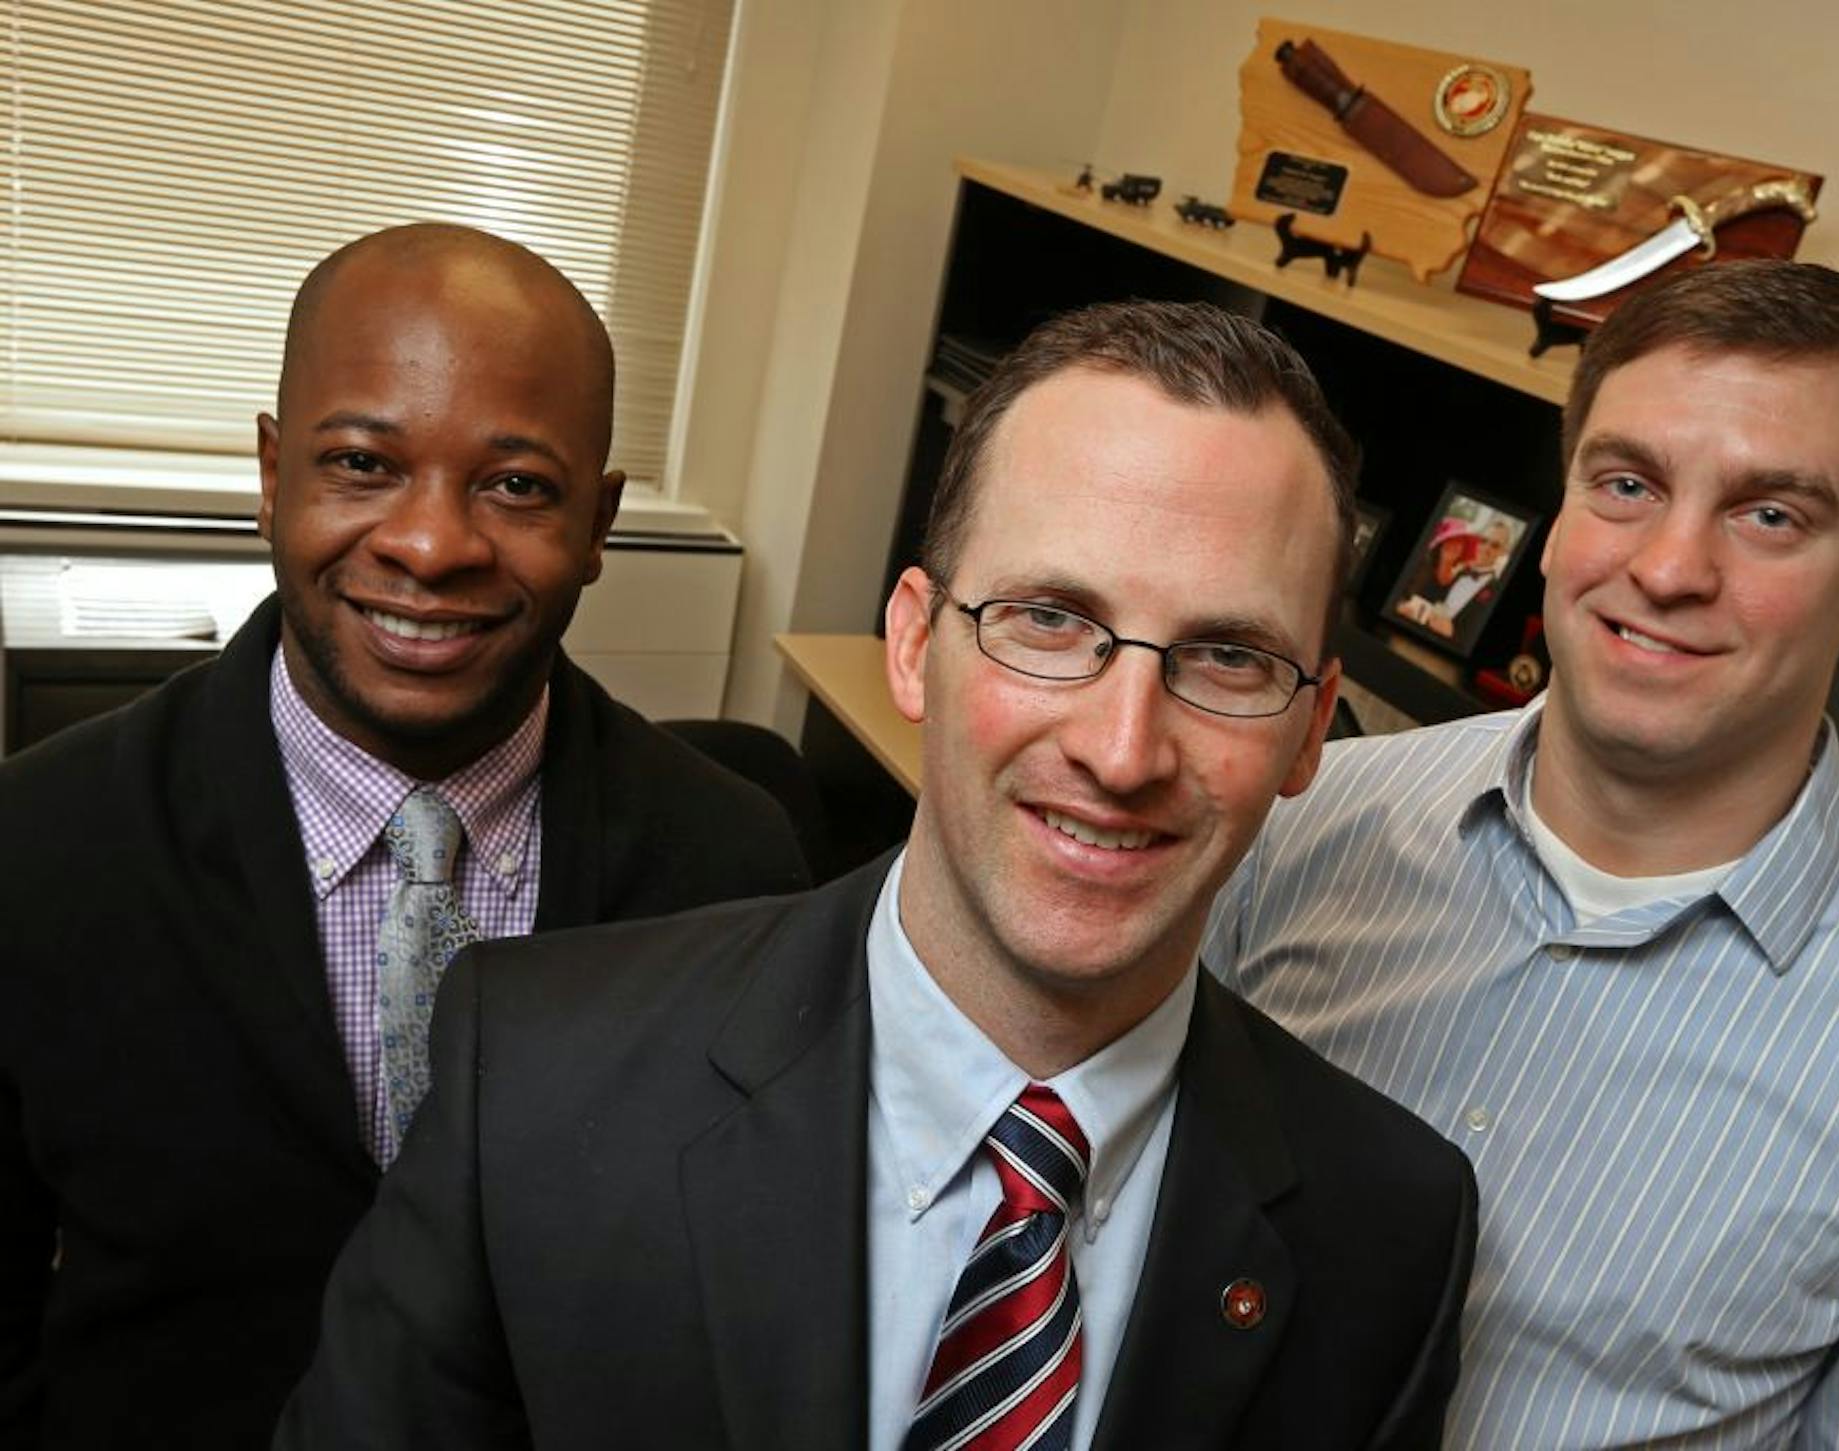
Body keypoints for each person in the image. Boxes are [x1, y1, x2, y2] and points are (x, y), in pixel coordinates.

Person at [276, 300, 1478, 1450]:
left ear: (1315, 727)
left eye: (1227, 655)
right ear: (913, 642)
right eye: (1050, 619)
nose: (1122, 750)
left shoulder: (1390, 1231)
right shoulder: (533, 1072)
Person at [1205, 261, 1839, 1447]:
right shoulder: (1293, 828)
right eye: (1627, 483)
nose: (1672, 567)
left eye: (1770, 514)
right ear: (1561, 511)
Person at [0, 225, 809, 1448]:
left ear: (599, 520)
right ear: (274, 473)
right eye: (363, 463)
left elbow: (735, 1313)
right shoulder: (39, 848)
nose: (432, 545)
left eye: (517, 484)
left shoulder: (732, 873)